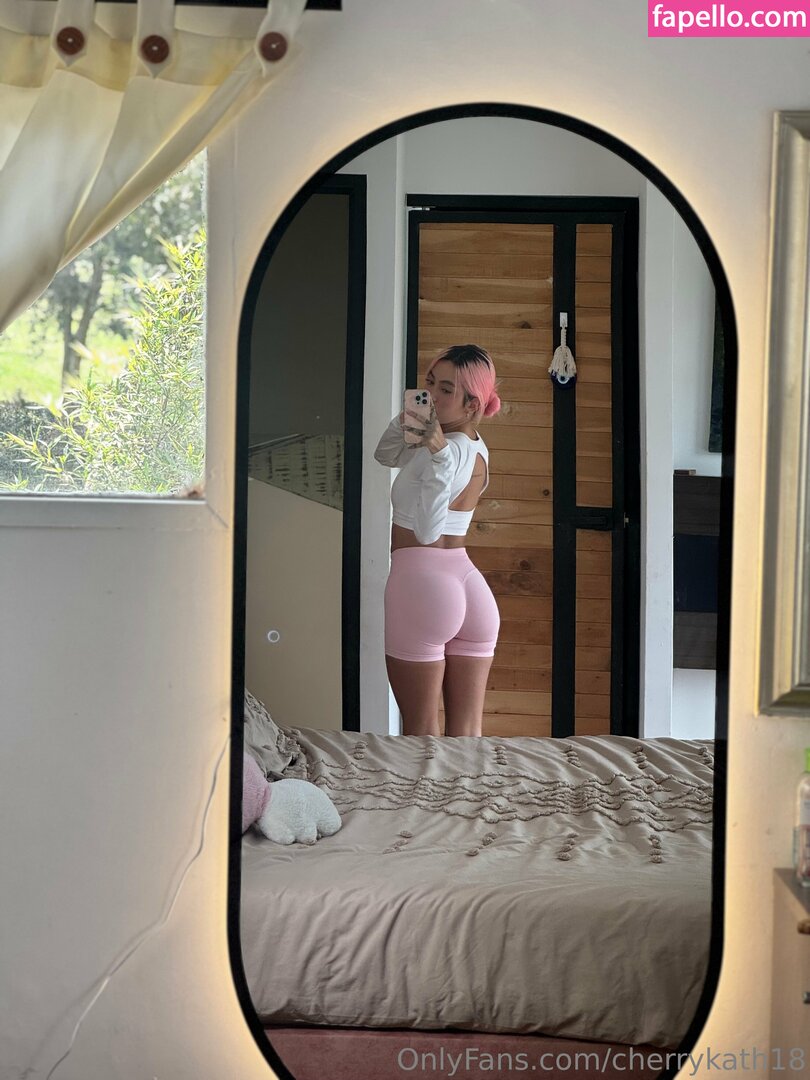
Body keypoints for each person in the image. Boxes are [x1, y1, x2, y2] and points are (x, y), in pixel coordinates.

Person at [373, 344, 503, 737]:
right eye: (430, 383)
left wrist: (439, 458)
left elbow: (428, 531)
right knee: (468, 735)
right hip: (469, 587)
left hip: (423, 586)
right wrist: (406, 420)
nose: (432, 395)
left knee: (420, 734)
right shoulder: (477, 447)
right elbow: (386, 456)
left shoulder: (446, 453)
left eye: (446, 390)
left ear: (472, 404)